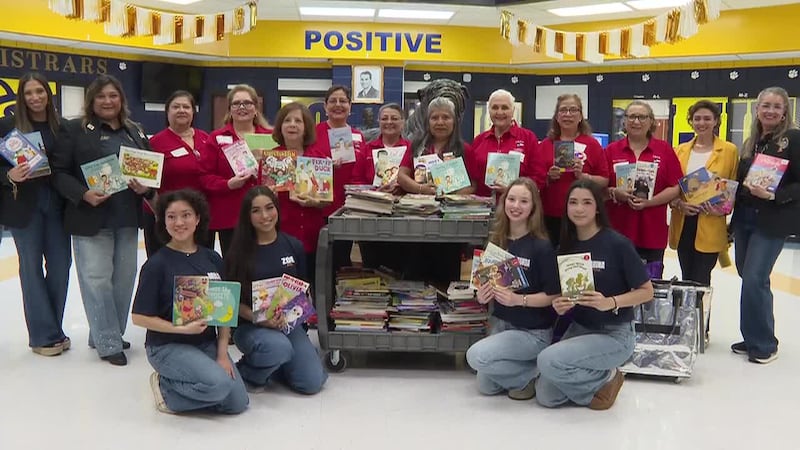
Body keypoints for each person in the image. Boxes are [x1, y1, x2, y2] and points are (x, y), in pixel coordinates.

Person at [51, 74, 154, 366]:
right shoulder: (74, 129)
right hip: (90, 217)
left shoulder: (134, 130)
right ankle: (108, 341)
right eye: (101, 96)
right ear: (91, 101)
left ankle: (106, 333)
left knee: (123, 280)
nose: (107, 101)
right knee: (96, 280)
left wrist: (146, 187)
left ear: (121, 99)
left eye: (113, 96)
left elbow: (149, 172)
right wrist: (83, 194)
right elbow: (58, 173)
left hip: (126, 218)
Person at [535, 180, 654, 410]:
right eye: (573, 203)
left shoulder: (618, 244)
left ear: (598, 207)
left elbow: (647, 292)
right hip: (580, 328)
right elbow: (565, 294)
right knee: (546, 396)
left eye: (587, 202)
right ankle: (599, 380)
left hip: (615, 334)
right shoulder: (565, 248)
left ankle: (608, 377)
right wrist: (560, 304)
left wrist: (610, 302)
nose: (579, 209)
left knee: (547, 360)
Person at [131, 189, 248, 414]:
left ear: (197, 219)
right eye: (171, 216)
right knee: (219, 385)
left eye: (186, 215)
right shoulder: (156, 265)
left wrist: (222, 354)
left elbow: (225, 311)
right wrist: (181, 327)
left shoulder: (212, 258)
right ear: (163, 221)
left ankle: (202, 384)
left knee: (237, 403)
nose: (179, 222)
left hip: (205, 344)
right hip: (166, 346)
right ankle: (166, 389)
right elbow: (138, 317)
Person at [224, 186, 328, 394]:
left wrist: (295, 312)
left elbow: (304, 290)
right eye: (256, 211)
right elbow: (230, 302)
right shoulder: (237, 253)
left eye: (269, 208)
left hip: (288, 325)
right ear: (248, 216)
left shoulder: (293, 246)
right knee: (279, 348)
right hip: (252, 327)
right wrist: (258, 318)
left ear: (277, 209)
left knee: (311, 383)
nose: (264, 216)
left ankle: (281, 363)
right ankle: (250, 372)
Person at [465, 177, 560, 400]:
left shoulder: (542, 246)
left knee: (475, 358)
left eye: (524, 201)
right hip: (502, 326)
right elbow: (482, 288)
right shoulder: (497, 241)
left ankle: (534, 374)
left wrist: (519, 300)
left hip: (532, 332)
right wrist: (482, 295)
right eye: (512, 199)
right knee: (486, 386)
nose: (516, 206)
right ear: (504, 202)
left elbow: (553, 296)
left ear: (533, 207)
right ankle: (528, 371)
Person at [0, 72, 72, 357]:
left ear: (48, 94)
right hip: (24, 204)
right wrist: (9, 175)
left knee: (60, 266)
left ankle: (53, 328)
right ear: (22, 96)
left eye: (40, 92)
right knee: (30, 267)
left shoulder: (62, 127)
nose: (35, 98)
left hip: (57, 203)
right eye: (29, 93)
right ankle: (44, 336)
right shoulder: (7, 125)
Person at [730, 86, 800, 364]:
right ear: (757, 110)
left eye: (776, 106)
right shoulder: (753, 142)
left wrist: (775, 195)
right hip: (746, 218)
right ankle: (752, 337)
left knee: (755, 278)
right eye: (765, 105)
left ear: (785, 111)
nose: (770, 110)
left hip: (772, 220)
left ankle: (765, 343)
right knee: (748, 277)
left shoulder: (793, 138)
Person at [397, 96, 475, 281]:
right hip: (417, 222)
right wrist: (421, 188)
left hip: (450, 226)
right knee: (414, 274)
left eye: (446, 117)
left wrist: (450, 192)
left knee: (446, 276)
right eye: (435, 117)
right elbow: (401, 175)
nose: (440, 122)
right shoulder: (416, 146)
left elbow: (473, 186)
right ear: (427, 120)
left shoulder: (465, 150)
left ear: (455, 121)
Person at [606, 100, 683, 276]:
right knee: (617, 282)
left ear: (651, 122)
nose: (636, 121)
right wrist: (614, 192)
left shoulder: (664, 150)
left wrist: (649, 203)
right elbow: (602, 187)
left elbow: (676, 186)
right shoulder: (611, 150)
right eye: (631, 116)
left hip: (652, 233)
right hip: (618, 230)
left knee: (649, 285)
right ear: (624, 121)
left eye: (642, 117)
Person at [669, 100, 738, 287]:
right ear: (690, 121)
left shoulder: (729, 151)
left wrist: (722, 209)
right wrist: (678, 203)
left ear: (716, 121)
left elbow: (732, 187)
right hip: (684, 221)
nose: (702, 123)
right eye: (697, 118)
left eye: (707, 118)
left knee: (701, 281)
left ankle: (701, 315)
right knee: (686, 277)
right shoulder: (679, 150)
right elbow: (671, 186)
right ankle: (687, 316)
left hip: (711, 222)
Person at [199, 84, 271, 256]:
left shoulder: (270, 138)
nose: (242, 107)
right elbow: (203, 176)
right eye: (236, 103)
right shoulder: (216, 139)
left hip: (264, 215)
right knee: (234, 269)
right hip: (229, 217)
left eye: (247, 103)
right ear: (230, 110)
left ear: (256, 109)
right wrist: (228, 184)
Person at [264, 102, 328, 292]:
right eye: (287, 120)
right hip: (280, 234)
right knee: (283, 286)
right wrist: (269, 196)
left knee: (312, 283)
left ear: (306, 127)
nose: (292, 125)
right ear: (280, 127)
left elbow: (326, 201)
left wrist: (315, 202)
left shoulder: (319, 159)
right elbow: (260, 200)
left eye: (298, 121)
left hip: (311, 233)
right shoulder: (271, 160)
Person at [146, 90, 210, 256]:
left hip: (199, 218)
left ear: (193, 112)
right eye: (176, 107)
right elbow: (147, 182)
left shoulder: (206, 139)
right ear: (167, 112)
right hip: (169, 219)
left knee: (199, 268)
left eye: (186, 107)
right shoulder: (155, 143)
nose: (181, 110)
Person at [540, 94, 609, 246]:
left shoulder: (592, 145)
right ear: (557, 116)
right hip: (550, 216)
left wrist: (584, 176)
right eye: (563, 110)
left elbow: (604, 180)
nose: (568, 114)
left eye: (573, 110)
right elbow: (535, 180)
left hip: (583, 217)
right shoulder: (545, 145)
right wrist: (548, 176)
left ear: (580, 116)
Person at [311, 85, 366, 270]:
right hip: (318, 206)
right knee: (319, 260)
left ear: (350, 107)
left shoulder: (358, 136)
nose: (338, 105)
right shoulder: (312, 132)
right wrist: (323, 165)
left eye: (343, 101)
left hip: (347, 208)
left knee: (341, 260)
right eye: (333, 101)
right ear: (325, 106)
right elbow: (303, 163)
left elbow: (362, 171)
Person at [468, 89, 543, 197]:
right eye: (494, 107)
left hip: (516, 207)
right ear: (489, 111)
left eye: (505, 107)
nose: (499, 112)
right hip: (483, 209)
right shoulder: (479, 140)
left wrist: (513, 190)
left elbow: (538, 177)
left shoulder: (528, 138)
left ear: (513, 110)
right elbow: (472, 178)